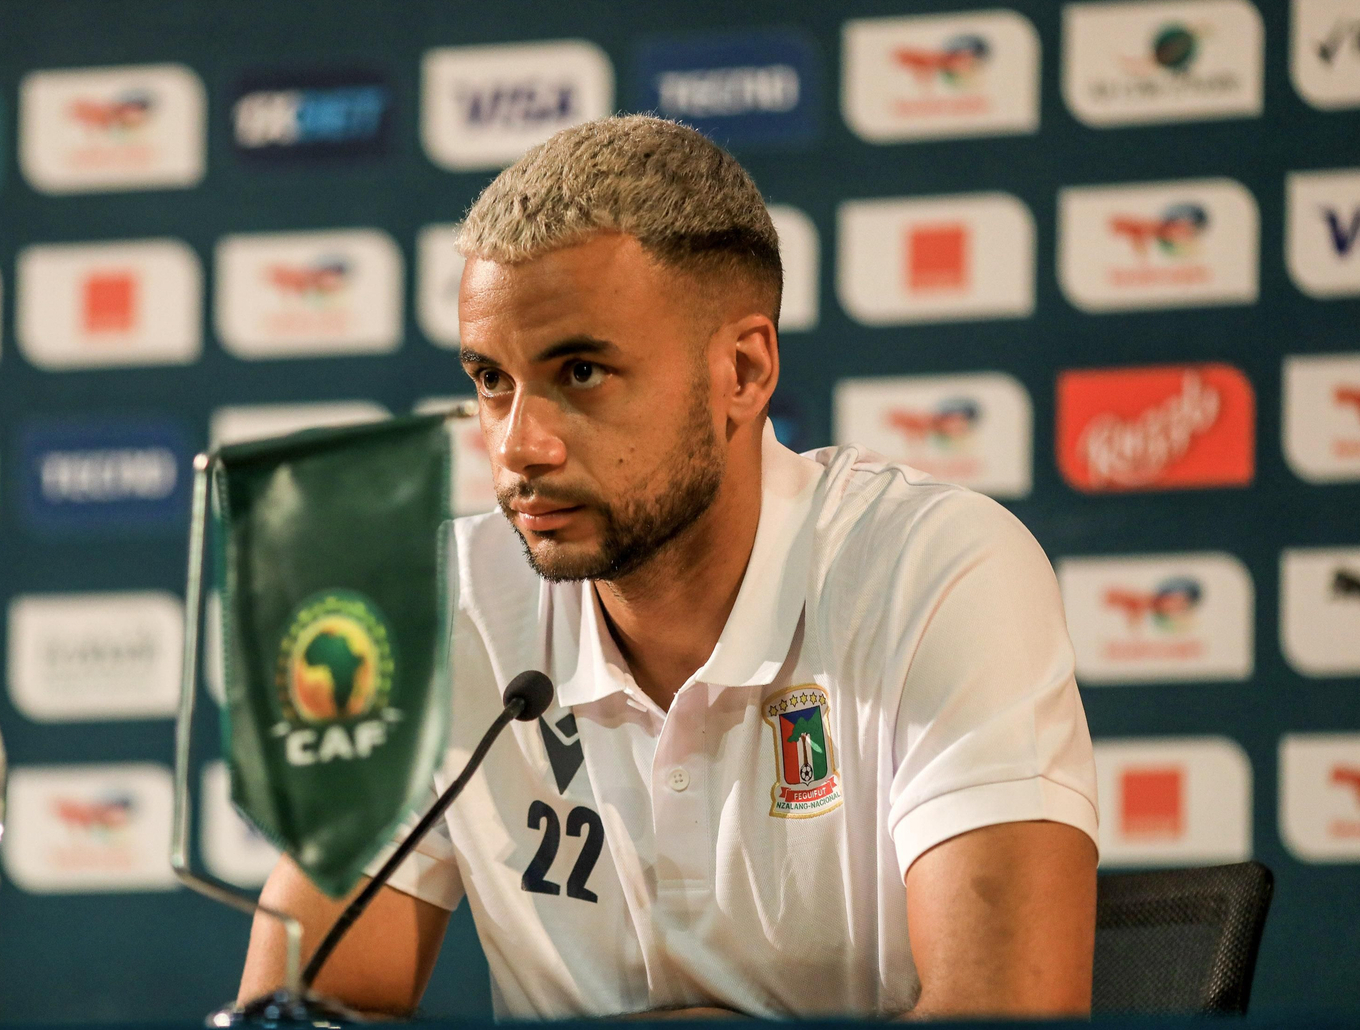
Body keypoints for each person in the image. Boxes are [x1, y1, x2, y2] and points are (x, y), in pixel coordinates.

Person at [240, 115, 1098, 1020]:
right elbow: (298, 1005)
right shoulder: (442, 609)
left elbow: (1010, 1011)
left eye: (581, 371)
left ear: (743, 368)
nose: (518, 446)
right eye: (492, 379)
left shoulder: (938, 574)